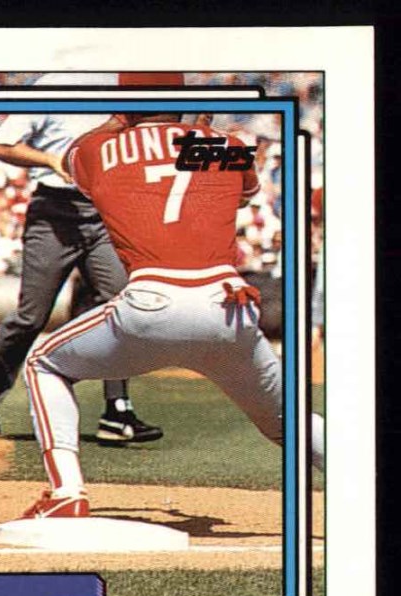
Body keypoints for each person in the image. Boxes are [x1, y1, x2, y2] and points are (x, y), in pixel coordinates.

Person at [20, 109, 325, 518]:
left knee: (42, 362)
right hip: (227, 306)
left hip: (152, 302)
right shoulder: (227, 145)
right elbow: (240, 195)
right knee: (288, 421)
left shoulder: (99, 147)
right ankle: (365, 480)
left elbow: (72, 161)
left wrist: (116, 125)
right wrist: (198, 137)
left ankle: (67, 492)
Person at [0, 72, 163, 444]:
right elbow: (1, 145)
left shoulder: (123, 81)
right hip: (55, 211)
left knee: (122, 304)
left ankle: (117, 409)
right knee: (31, 317)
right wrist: (50, 159)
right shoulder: (52, 84)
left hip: (104, 208)